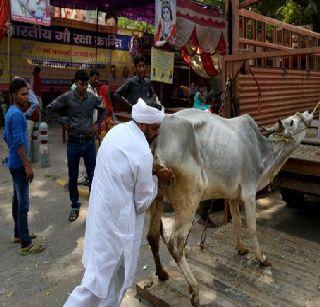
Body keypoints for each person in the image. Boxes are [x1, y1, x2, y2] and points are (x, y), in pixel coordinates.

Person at [64, 96, 174, 307]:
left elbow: (125, 169)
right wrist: (157, 179)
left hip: (101, 217)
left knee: (109, 282)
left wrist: (151, 172)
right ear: (142, 124)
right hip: (117, 227)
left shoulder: (117, 132)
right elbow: (142, 202)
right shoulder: (142, 152)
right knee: (95, 287)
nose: (157, 133)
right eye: (154, 128)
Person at [46, 70, 106, 222]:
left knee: (93, 175)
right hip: (73, 143)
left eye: (86, 84)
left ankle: (94, 206)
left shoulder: (92, 98)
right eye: (81, 84)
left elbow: (103, 110)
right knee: (72, 177)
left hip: (89, 143)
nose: (84, 87)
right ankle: (74, 206)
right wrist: (63, 122)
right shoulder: (67, 97)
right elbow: (50, 109)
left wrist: (97, 124)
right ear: (75, 82)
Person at [2, 78, 45, 255]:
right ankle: (25, 243)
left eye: (27, 93)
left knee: (16, 199)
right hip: (19, 165)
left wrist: (12, 149)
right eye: (23, 94)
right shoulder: (17, 115)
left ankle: (18, 233)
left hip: (14, 162)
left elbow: (6, 135)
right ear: (14, 95)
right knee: (23, 204)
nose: (26, 97)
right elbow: (19, 141)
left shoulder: (11, 112)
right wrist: (28, 166)